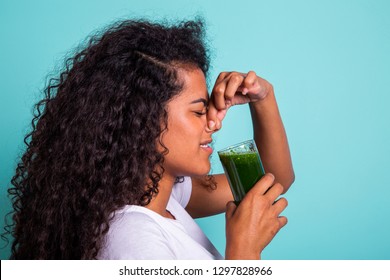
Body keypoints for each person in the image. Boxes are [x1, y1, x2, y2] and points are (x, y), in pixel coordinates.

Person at [4, 19, 294, 259]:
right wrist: (244, 252)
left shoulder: (165, 198)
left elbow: (271, 179)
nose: (213, 123)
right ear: (143, 120)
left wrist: (263, 97)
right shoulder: (133, 237)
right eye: (198, 111)